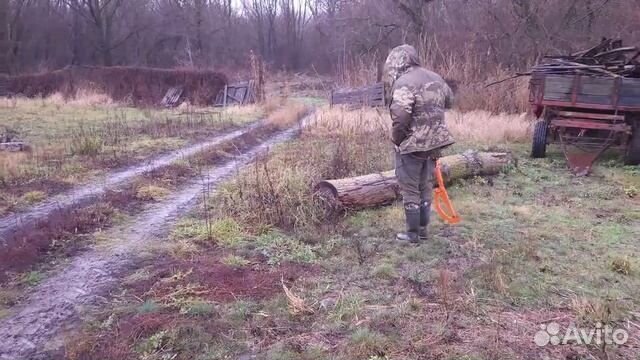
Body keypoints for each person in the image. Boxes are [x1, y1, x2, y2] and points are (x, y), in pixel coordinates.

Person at [383, 44, 455, 243]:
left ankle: (412, 234)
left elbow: (400, 118)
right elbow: (449, 101)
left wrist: (398, 141)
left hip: (413, 145)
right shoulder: (436, 78)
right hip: (435, 143)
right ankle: (423, 231)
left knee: (410, 188)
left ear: (398, 61)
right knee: (425, 185)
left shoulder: (403, 83)